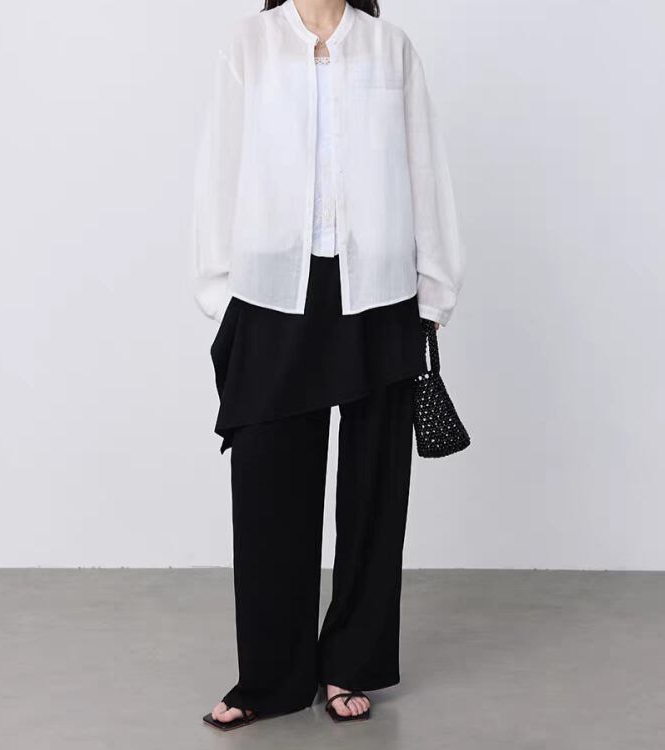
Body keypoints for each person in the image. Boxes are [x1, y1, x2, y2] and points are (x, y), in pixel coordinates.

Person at [193, 0, 465, 730]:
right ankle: (271, 677)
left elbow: (424, 165)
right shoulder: (249, 44)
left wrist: (434, 287)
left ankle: (353, 663)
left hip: (378, 285)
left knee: (375, 487)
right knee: (267, 484)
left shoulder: (389, 47)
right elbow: (221, 166)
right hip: (273, 286)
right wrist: (221, 291)